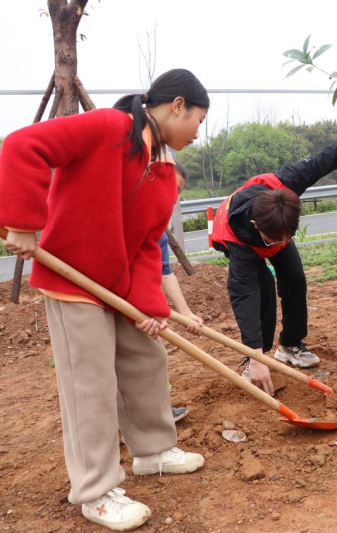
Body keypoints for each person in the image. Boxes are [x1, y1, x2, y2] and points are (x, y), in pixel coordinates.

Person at [0, 69, 209, 532]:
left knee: (146, 357)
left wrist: (150, 305)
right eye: (198, 119)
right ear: (177, 105)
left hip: (117, 285)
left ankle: (153, 451)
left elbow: (143, 247)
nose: (198, 131)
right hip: (73, 280)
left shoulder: (165, 169)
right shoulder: (108, 129)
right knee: (90, 381)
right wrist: (22, 221)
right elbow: (21, 146)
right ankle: (95, 490)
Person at [211, 122, 337, 394]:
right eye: (277, 239)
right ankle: (255, 360)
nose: (283, 243)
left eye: (288, 236)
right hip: (240, 240)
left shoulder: (287, 182)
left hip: (272, 228)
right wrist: (256, 355)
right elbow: (243, 297)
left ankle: (290, 344)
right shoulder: (239, 239)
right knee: (263, 290)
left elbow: (325, 159)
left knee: (294, 279)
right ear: (259, 226)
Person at [159, 162, 204, 422]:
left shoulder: (158, 225)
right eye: (171, 186)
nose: (173, 196)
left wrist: (185, 313)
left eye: (178, 191)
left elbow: (165, 272)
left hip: (141, 301)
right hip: (117, 300)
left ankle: (158, 410)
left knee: (154, 356)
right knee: (147, 357)